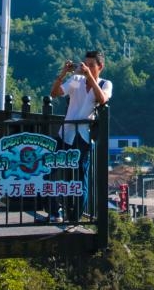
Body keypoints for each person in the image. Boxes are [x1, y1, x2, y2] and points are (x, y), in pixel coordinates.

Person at [50, 50, 112, 222]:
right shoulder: (77, 82)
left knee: (80, 176)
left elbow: (102, 99)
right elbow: (55, 93)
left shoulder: (105, 84)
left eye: (92, 65)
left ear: (101, 67)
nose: (88, 68)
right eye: (86, 64)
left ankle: (75, 217)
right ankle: (55, 211)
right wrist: (64, 72)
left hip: (83, 135)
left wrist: (89, 76)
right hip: (66, 133)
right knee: (51, 171)